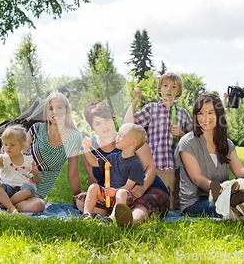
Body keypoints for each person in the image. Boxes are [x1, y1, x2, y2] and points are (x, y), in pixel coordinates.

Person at [74, 101, 170, 226]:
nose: (104, 126)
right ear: (92, 126)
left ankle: (131, 220)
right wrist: (101, 194)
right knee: (81, 199)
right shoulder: (90, 145)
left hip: (143, 189)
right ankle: (114, 213)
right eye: (98, 123)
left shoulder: (131, 138)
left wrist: (143, 187)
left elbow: (150, 167)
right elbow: (93, 179)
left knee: (145, 201)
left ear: (113, 119)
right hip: (115, 193)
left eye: (107, 120)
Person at [175, 93, 244, 217]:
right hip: (194, 203)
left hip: (224, 198)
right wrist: (222, 191)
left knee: (242, 205)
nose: (204, 118)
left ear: (219, 115)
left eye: (210, 112)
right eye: (200, 113)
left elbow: (240, 172)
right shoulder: (187, 142)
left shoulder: (227, 144)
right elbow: (197, 178)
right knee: (228, 209)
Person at [124, 72, 192, 210]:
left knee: (175, 203)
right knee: (156, 198)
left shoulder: (183, 113)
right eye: (165, 86)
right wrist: (136, 99)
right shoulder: (151, 109)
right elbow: (128, 122)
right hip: (155, 166)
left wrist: (181, 133)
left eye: (173, 87)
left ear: (178, 92)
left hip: (176, 166)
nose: (169, 89)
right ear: (159, 89)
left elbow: (192, 139)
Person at [81, 123, 146, 226]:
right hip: (109, 194)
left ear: (133, 142)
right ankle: (86, 215)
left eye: (121, 135)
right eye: (118, 134)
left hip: (126, 197)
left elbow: (128, 186)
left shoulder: (136, 164)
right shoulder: (113, 157)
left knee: (122, 193)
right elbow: (93, 162)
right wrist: (85, 147)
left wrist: (115, 192)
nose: (117, 137)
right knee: (93, 187)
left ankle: (112, 218)